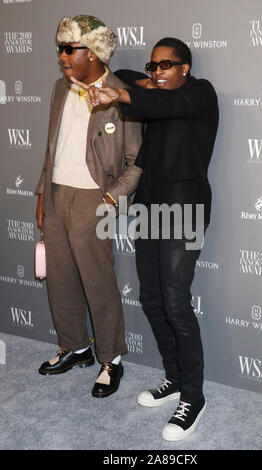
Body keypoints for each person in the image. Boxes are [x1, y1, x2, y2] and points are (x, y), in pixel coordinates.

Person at [73, 37, 219, 440]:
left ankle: (194, 396)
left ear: (185, 68)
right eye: (153, 66)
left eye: (167, 65)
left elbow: (164, 103)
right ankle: (173, 379)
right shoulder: (154, 93)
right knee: (153, 299)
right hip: (150, 211)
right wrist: (134, 81)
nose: (157, 73)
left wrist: (124, 93)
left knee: (175, 300)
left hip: (185, 211)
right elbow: (143, 85)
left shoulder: (200, 94)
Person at [35, 15, 142, 398]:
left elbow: (136, 161)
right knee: (61, 282)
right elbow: (52, 149)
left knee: (98, 282)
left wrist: (110, 198)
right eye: (60, 49)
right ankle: (76, 347)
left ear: (94, 53)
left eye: (69, 49)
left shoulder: (122, 94)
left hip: (92, 200)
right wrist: (43, 194)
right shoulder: (58, 89)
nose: (62, 56)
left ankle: (111, 359)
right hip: (58, 196)